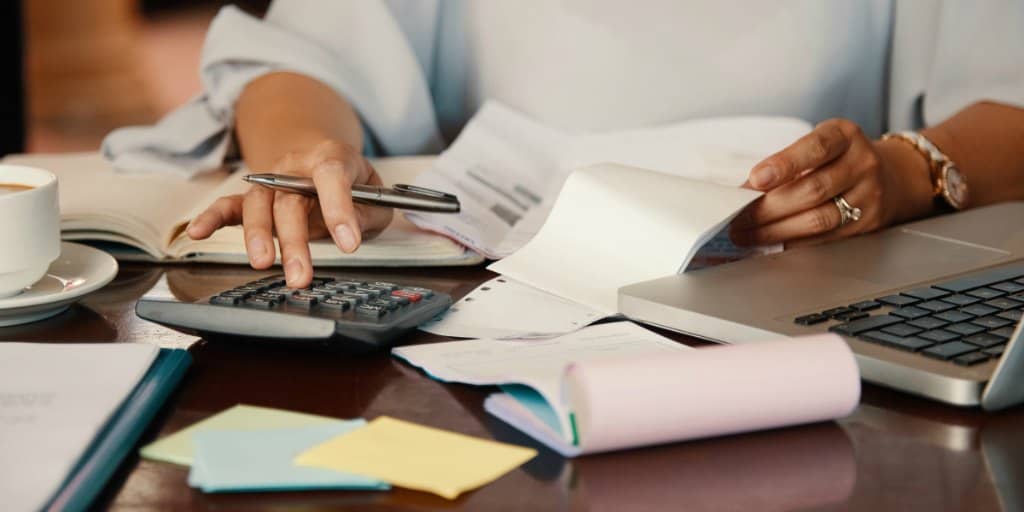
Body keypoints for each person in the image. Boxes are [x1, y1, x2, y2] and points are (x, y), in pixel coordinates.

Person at [104, 1, 1024, 289]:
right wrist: (309, 151)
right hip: (502, 295)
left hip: (809, 289)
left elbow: (1011, 92)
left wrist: (905, 172)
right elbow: (303, 61)